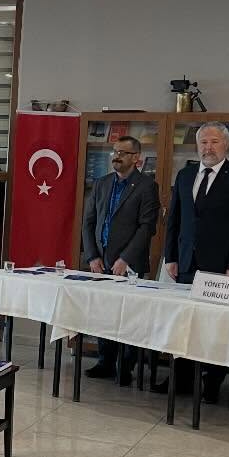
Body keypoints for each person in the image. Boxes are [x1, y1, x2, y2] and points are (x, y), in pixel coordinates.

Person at [158, 122, 229, 401]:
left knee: (216, 327)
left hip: (222, 267)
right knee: (185, 322)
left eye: (214, 142)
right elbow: (175, 219)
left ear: (226, 144)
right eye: (203, 142)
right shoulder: (185, 175)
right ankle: (182, 379)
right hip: (186, 264)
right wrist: (171, 256)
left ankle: (213, 382)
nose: (208, 148)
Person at [80, 134, 160, 384]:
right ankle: (105, 362)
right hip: (101, 261)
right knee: (104, 314)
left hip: (129, 264)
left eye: (122, 153)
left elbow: (147, 227)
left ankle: (126, 366)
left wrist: (125, 259)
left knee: (129, 317)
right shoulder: (102, 183)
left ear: (136, 158)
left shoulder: (147, 186)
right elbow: (88, 222)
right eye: (114, 152)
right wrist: (92, 256)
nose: (116, 156)